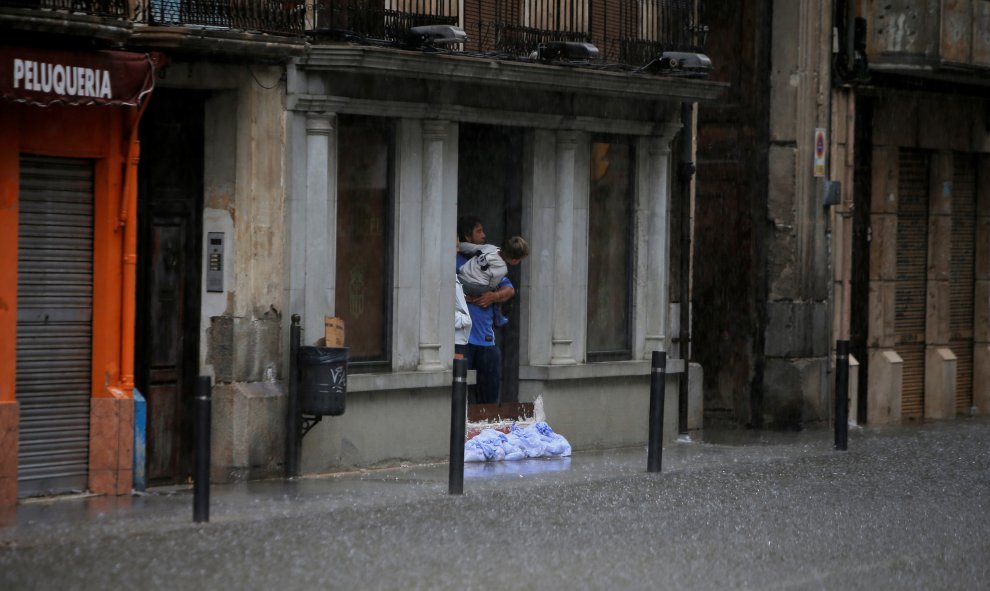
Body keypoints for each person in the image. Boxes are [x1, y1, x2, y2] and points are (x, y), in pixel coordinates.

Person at [456, 215, 517, 404]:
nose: (484, 235)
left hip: (486, 340)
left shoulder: (491, 262)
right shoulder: (456, 262)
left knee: (489, 396)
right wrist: (473, 299)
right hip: (462, 339)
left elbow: (510, 290)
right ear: (467, 236)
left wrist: (494, 296)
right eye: (479, 231)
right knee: (459, 395)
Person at [457, 236, 529, 297]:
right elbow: (492, 284)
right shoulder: (502, 269)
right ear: (514, 260)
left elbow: (471, 248)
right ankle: (471, 299)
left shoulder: (490, 247)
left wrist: (458, 245)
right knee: (493, 289)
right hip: (472, 287)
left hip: (461, 276)